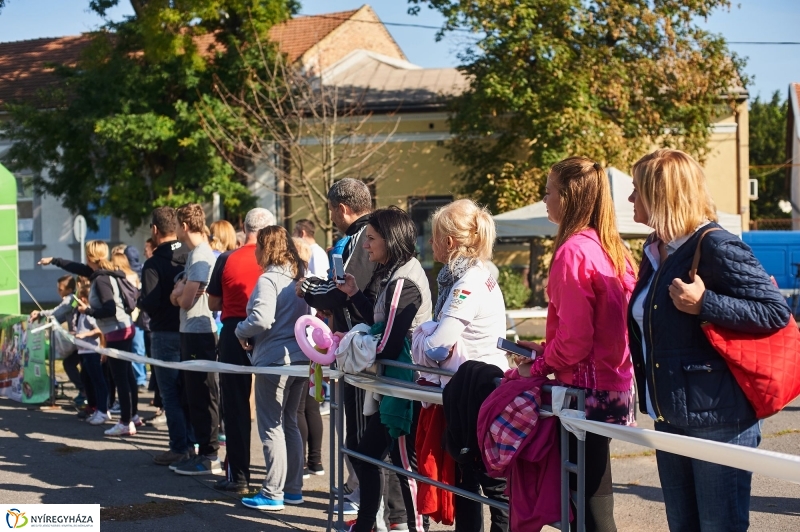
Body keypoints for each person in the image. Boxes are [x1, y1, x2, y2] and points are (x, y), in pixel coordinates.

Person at [626, 149, 790, 532]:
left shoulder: (715, 244)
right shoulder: (654, 250)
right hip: (670, 414)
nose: (631, 199)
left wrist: (705, 303)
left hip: (719, 417)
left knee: (720, 527)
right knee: (682, 526)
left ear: (660, 193)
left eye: (637, 190)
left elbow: (775, 312)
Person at [513, 158, 636, 532]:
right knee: (596, 495)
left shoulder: (573, 251)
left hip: (584, 393)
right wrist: (547, 349)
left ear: (567, 198)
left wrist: (536, 365)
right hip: (614, 385)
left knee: (586, 505)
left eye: (548, 191)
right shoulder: (614, 249)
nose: (544, 199)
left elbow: (576, 340)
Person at [414, 198, 510, 532]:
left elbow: (440, 344)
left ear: (450, 242)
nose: (430, 243)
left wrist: (422, 338)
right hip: (475, 389)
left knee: (489, 483)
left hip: (478, 393)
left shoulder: (467, 282)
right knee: (470, 479)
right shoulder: (471, 275)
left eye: (435, 235)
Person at [335, 206, 432, 532]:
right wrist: (354, 295)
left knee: (404, 465)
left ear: (390, 240)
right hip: (393, 383)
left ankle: (414, 526)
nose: (365, 246)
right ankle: (367, 524)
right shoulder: (394, 272)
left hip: (404, 386)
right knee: (366, 454)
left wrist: (349, 347)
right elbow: (380, 324)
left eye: (371, 239)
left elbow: (386, 342)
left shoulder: (404, 278)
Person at [297, 178, 378, 517]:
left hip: (362, 343)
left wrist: (311, 293)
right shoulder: (361, 236)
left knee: (362, 425)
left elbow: (344, 290)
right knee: (358, 423)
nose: (331, 218)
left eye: (331, 211)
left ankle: (363, 494)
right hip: (358, 339)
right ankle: (357, 485)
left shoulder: (358, 239)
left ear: (342, 208)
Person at [236, 226, 310, 511]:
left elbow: (261, 319)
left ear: (265, 248)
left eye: (256, 246)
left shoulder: (268, 279)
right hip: (299, 359)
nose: (254, 251)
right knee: (288, 422)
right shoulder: (298, 276)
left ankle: (272, 492)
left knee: (271, 427)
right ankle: (292, 489)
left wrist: (240, 332)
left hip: (274, 360)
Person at [207, 208, 276, 493]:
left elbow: (212, 304)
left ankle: (239, 477)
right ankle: (285, 482)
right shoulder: (280, 261)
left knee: (235, 408)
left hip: (234, 332)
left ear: (245, 228)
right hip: (273, 332)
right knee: (279, 410)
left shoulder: (226, 258)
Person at [39, 241, 140, 435]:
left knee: (121, 379)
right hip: (122, 328)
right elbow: (76, 267)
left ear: (89, 256)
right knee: (126, 376)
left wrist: (89, 310)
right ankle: (132, 416)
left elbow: (109, 308)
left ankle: (126, 422)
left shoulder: (101, 280)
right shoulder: (100, 273)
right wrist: (54, 260)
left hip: (117, 331)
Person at [139, 206, 193, 467]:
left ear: (154, 230)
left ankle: (178, 447)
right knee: (189, 391)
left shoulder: (153, 263)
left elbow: (150, 302)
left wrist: (142, 301)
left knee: (170, 394)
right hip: (189, 330)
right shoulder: (190, 255)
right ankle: (194, 443)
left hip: (163, 333)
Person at [170, 203, 221, 476]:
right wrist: (179, 293)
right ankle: (204, 452)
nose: (175, 230)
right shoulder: (193, 254)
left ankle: (209, 456)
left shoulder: (201, 255)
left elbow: (185, 301)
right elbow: (180, 296)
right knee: (193, 396)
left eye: (176, 225)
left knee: (203, 396)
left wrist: (179, 292)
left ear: (185, 226)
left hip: (200, 333)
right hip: (191, 333)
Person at [291, 236, 325, 480]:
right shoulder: (314, 280)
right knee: (312, 405)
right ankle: (316, 461)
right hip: (316, 344)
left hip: (304, 345)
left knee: (300, 409)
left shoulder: (298, 283)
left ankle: (302, 462)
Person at [31, 275, 84, 404]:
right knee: (71, 364)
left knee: (71, 364)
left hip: (82, 339)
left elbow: (56, 312)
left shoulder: (70, 299)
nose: (58, 292)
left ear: (70, 289)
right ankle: (84, 391)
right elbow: (61, 318)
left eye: (60, 289)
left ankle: (85, 391)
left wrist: (40, 314)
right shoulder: (70, 300)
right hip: (78, 341)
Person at [71, 284, 108, 426]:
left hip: (92, 351)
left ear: (84, 299)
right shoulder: (80, 314)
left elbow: (99, 330)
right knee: (89, 381)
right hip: (84, 352)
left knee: (98, 382)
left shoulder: (89, 314)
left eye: (79, 299)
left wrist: (84, 334)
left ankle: (103, 410)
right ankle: (97, 408)